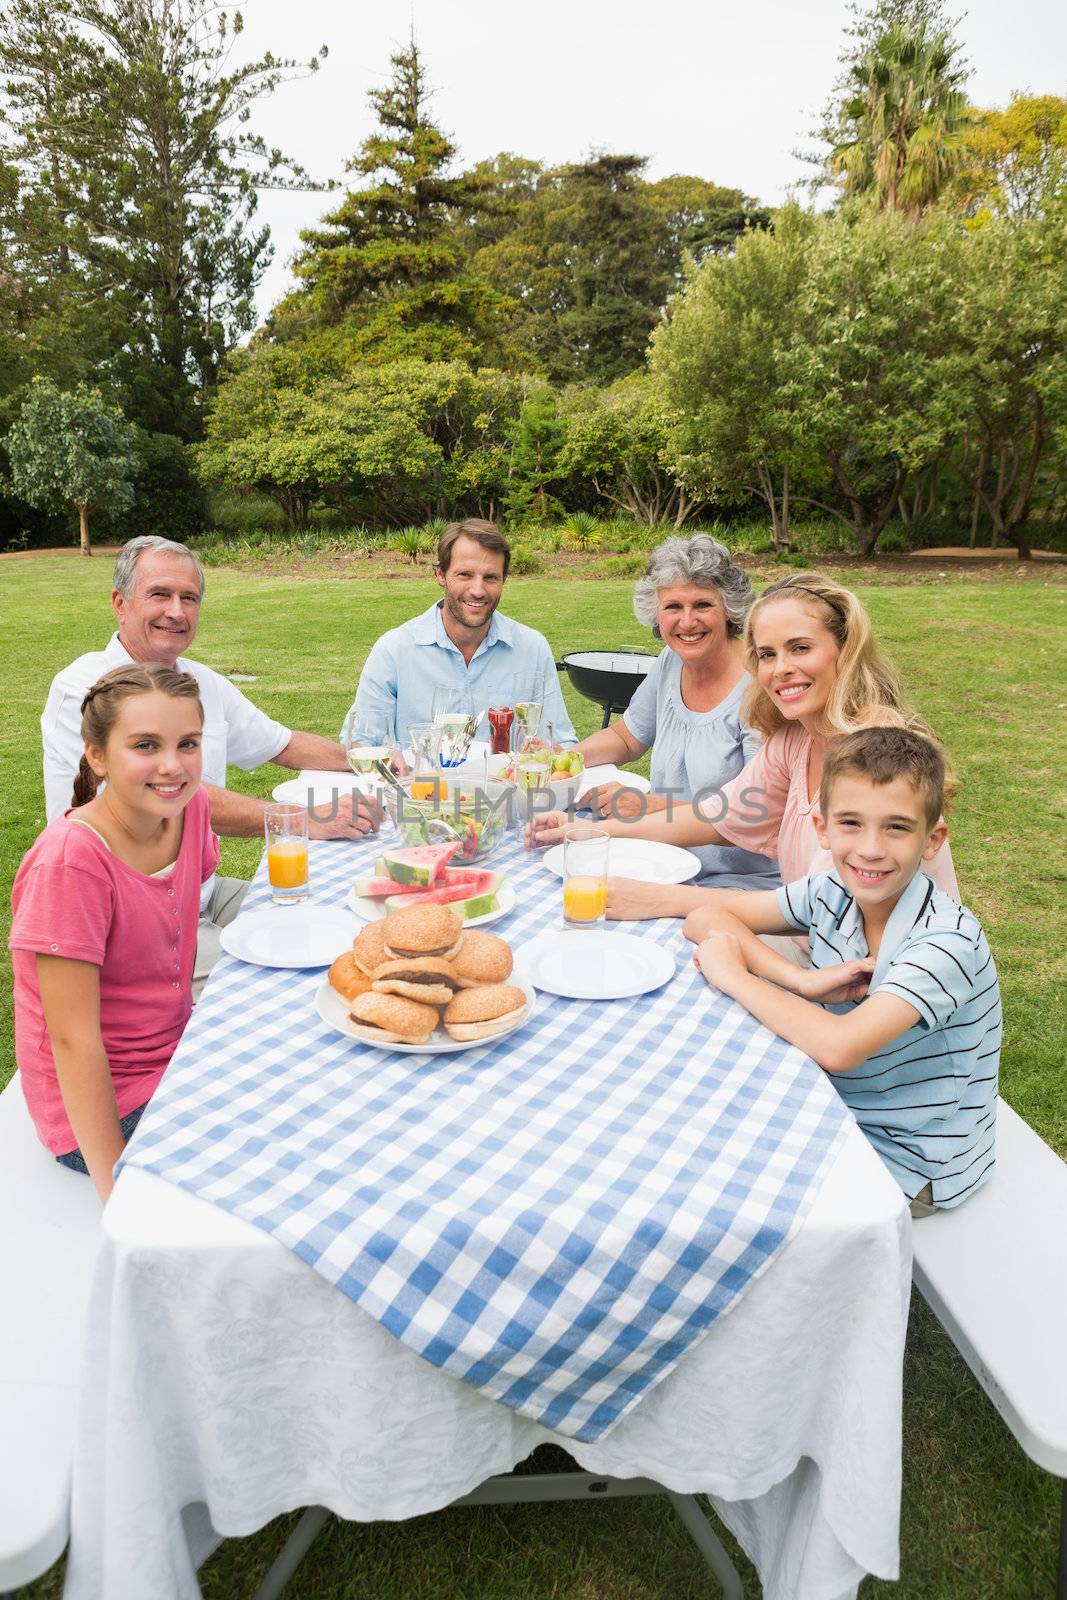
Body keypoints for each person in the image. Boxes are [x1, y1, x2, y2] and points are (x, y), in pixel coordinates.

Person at [689, 727, 999, 1216]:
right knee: (704, 1121)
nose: (871, 849)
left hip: (913, 1160)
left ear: (932, 838)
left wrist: (736, 974)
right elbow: (706, 918)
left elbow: (839, 1048)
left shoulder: (946, 942)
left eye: (896, 827)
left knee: (727, 1193)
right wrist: (798, 980)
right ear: (822, 829)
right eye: (851, 823)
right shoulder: (831, 889)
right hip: (841, 1109)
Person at [41, 536, 377, 984]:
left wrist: (373, 762)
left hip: (200, 892)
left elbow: (281, 742)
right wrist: (302, 820)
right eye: (160, 594)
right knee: (283, 980)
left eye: (189, 598)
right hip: (128, 913)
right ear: (121, 604)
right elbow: (151, 800)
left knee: (341, 924)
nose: (176, 611)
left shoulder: (200, 683)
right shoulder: (85, 690)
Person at [529, 571, 958, 920]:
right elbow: (716, 815)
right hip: (820, 951)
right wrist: (588, 831)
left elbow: (823, 913)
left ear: (844, 651)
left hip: (878, 985)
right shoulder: (795, 739)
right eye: (767, 655)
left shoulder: (877, 763)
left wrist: (665, 900)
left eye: (801, 648)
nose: (781, 669)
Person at [11, 664, 218, 1204]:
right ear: (97, 755)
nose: (172, 766)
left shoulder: (190, 809)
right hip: (101, 1107)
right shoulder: (71, 866)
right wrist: (113, 1189)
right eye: (145, 745)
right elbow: (72, 1040)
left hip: (177, 1053)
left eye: (188, 744)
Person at [573, 533, 778, 888]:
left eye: (702, 605)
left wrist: (647, 806)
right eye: (673, 607)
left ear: (729, 608)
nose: (687, 622)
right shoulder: (671, 661)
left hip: (740, 880)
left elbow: (754, 819)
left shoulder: (759, 686)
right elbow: (627, 737)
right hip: (666, 861)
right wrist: (561, 760)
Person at [339, 519, 577, 749]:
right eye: (465, 574)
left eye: (491, 577)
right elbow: (361, 745)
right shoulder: (394, 650)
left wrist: (547, 752)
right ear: (440, 575)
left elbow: (560, 743)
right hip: (422, 789)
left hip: (505, 790)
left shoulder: (532, 648)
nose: (478, 590)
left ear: (504, 579)